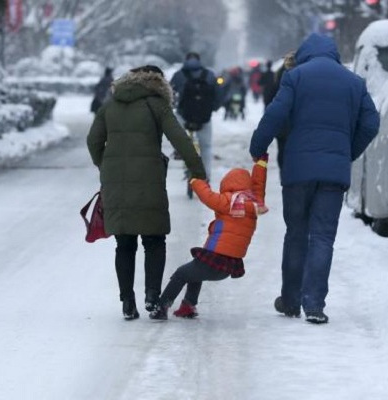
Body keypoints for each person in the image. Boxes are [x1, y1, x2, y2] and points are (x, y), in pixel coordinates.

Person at [249, 33, 380, 324]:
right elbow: (371, 123)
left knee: (296, 234)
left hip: (298, 170)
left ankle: (291, 300)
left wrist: (258, 146)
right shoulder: (354, 83)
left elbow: (275, 114)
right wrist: (346, 152)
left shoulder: (295, 77)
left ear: (305, 53)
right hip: (333, 173)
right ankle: (315, 305)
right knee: (323, 237)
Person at [87, 65, 207, 320]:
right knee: (154, 240)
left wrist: (105, 166)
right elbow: (181, 139)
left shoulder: (110, 104)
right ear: (159, 84)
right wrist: (197, 170)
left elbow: (93, 141)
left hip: (116, 180)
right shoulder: (157, 105)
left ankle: (127, 303)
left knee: (124, 243)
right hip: (149, 178)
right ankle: (152, 297)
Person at [149, 155, 269, 320]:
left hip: (216, 259)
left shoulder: (228, 202)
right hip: (228, 265)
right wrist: (261, 164)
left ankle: (161, 307)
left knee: (181, 273)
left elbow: (207, 196)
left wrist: (196, 181)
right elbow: (259, 185)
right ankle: (188, 306)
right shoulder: (255, 202)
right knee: (195, 270)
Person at [170, 52, 221, 180]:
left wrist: (173, 106)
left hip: (184, 116)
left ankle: (179, 151)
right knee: (206, 147)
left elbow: (170, 93)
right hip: (204, 118)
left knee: (179, 138)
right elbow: (218, 94)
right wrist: (213, 108)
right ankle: (206, 175)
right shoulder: (209, 75)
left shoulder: (178, 75)